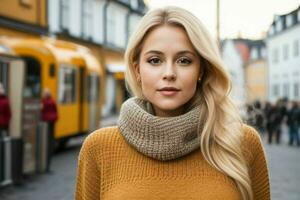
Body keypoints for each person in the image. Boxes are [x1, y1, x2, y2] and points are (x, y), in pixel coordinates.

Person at [75, 6, 270, 200]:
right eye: (154, 60)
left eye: (184, 60)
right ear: (137, 70)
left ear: (201, 70)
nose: (169, 73)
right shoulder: (99, 148)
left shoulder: (242, 142)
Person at [41, 88, 58, 172]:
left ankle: (46, 166)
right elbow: (56, 111)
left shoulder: (43, 102)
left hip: (46, 122)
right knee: (50, 140)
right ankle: (47, 165)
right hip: (52, 121)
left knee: (46, 142)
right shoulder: (52, 101)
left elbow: (42, 111)